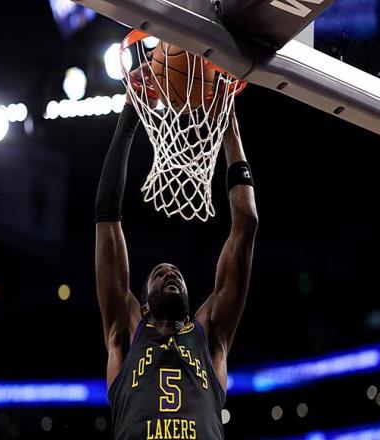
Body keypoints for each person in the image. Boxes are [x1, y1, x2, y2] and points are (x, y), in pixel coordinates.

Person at [94, 63, 258, 439]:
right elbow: (106, 216)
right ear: (142, 304)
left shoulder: (210, 334)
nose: (170, 273)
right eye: (160, 274)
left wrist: (229, 128)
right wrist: (130, 113)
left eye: (175, 274)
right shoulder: (126, 331)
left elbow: (247, 221)